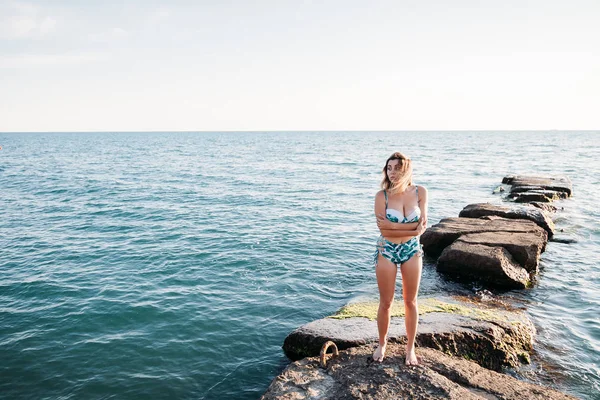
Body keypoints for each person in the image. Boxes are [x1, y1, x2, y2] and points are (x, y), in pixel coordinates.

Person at [372, 152, 428, 365]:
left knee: (410, 301)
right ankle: (382, 344)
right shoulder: (382, 196)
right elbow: (384, 231)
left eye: (397, 168)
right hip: (386, 250)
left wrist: (395, 226)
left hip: (412, 250)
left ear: (407, 169)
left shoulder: (420, 192)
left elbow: (423, 225)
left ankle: (410, 349)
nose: (392, 172)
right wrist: (412, 230)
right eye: (389, 168)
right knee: (386, 302)